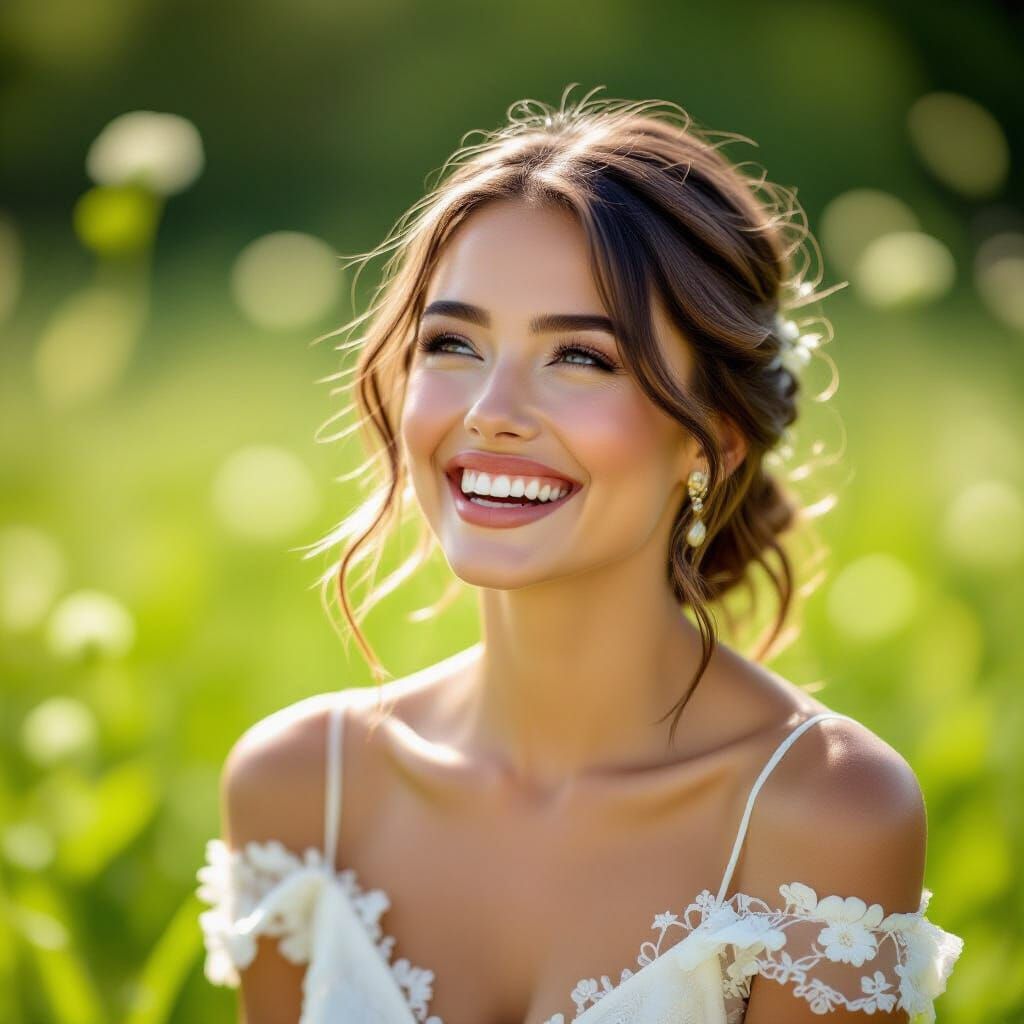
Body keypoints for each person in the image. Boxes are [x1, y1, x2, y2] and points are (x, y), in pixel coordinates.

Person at [196, 86, 964, 1023]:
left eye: (581, 358)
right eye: (453, 344)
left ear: (713, 442)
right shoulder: (297, 786)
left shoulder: (824, 814)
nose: (490, 414)